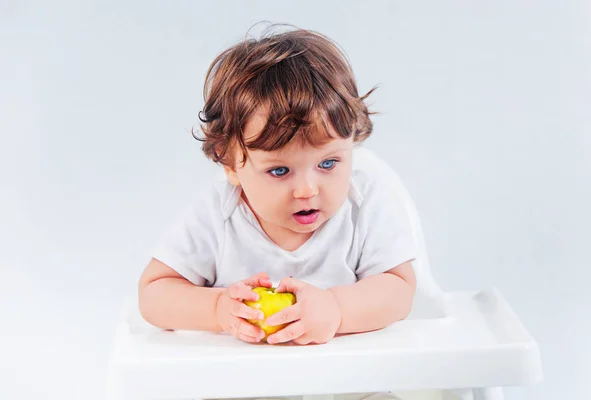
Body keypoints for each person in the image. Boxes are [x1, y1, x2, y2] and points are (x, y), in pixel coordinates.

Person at [138, 23, 416, 362]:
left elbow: (400, 289)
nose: (307, 189)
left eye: (328, 164)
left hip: (344, 376)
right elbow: (154, 293)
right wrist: (216, 309)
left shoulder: (365, 203)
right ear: (229, 163)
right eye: (279, 171)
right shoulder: (217, 215)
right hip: (246, 382)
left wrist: (337, 309)